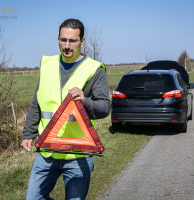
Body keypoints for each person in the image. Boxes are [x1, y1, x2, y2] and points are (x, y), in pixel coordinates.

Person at [21, 18, 111, 200]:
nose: (67, 45)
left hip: (77, 155)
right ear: (58, 39)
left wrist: (85, 101)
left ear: (82, 42)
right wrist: (28, 133)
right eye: (63, 40)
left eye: (72, 41)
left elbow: (105, 107)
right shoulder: (48, 65)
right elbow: (36, 102)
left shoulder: (94, 70)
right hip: (48, 152)